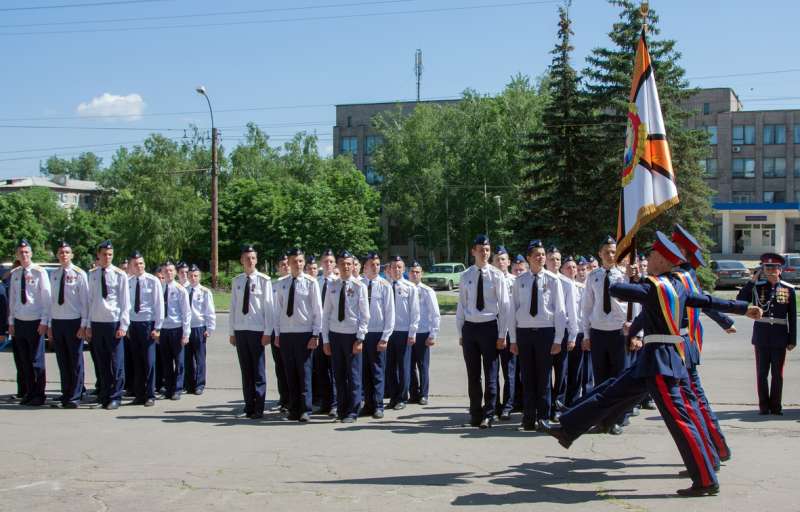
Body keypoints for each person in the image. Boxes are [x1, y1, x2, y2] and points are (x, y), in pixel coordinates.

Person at [542, 231, 762, 497]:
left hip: (662, 363)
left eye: (651, 255)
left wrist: (625, 273)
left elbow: (617, 290)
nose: (647, 258)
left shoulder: (655, 287)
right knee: (611, 393)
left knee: (680, 420)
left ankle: (705, 479)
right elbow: (707, 300)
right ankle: (567, 428)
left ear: (661, 260)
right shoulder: (673, 286)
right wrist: (741, 308)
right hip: (654, 360)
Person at [670, 224, 736, 460]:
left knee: (693, 399)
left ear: (682, 253)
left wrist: (725, 320)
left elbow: (704, 301)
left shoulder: (683, 276)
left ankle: (712, 449)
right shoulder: (684, 274)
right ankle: (715, 448)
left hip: (680, 344)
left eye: (673, 247)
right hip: (679, 344)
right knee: (694, 397)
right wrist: (725, 321)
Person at [580, 236, 637, 435]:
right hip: (598, 332)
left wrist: (637, 333)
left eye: (613, 252)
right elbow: (586, 307)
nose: (610, 255)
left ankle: (618, 419)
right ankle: (601, 419)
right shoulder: (593, 276)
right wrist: (586, 334)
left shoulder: (625, 276)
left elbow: (635, 304)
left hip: (619, 332)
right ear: (600, 254)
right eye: (607, 252)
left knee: (619, 378)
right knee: (601, 379)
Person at [510, 240, 567, 431]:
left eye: (543, 254)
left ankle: (543, 417)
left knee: (543, 377)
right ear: (529, 258)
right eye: (537, 255)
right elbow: (513, 311)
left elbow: (560, 311)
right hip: (525, 333)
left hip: (545, 332)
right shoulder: (520, 281)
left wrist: (558, 339)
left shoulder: (553, 280)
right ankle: (528, 418)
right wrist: (513, 339)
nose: (541, 258)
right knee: (527, 377)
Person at [456, 234, 510, 429]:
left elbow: (504, 307)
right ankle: (475, 413)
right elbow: (461, 305)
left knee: (491, 373)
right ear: (473, 252)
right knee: (473, 374)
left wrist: (502, 334)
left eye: (487, 250)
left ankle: (489, 413)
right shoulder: (466, 275)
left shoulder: (497, 275)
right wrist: (461, 333)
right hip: (470, 328)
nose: (485, 253)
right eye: (481, 250)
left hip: (489, 327)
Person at [737, 252, 796, 415]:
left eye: (774, 268)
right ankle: (764, 406)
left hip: (780, 337)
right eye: (767, 267)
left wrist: (792, 339)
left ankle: (776, 406)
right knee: (762, 373)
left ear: (780, 270)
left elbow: (792, 316)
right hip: (761, 336)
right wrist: (752, 281)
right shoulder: (757, 287)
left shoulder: (788, 289)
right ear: (762, 269)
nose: (770, 271)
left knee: (778, 374)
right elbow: (740, 300)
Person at [273, 248, 322, 422]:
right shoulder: (282, 283)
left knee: (304, 372)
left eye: (301, 261)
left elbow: (317, 310)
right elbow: (277, 310)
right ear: (290, 263)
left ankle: (305, 409)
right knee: (290, 373)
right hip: (286, 334)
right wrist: (277, 334)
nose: (298, 264)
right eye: (295, 261)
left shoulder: (310, 282)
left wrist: (315, 334)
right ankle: (293, 409)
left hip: (304, 334)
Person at [321, 250, 369, 423]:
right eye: (342, 263)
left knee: (354, 376)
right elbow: (326, 314)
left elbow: (365, 315)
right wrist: (326, 340)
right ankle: (341, 409)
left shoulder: (359, 286)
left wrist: (360, 338)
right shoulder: (332, 286)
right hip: (335, 336)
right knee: (339, 376)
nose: (346, 266)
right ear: (337, 266)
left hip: (352, 337)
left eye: (349, 263)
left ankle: (353, 411)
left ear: (352, 265)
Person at [229, 244, 274, 419]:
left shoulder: (264, 280)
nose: (250, 261)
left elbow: (268, 308)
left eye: (253, 258)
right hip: (241, 330)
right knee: (246, 370)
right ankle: (248, 406)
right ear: (242, 260)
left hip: (257, 330)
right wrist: (232, 332)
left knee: (258, 370)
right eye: (247, 258)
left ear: (256, 260)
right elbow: (233, 307)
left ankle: (259, 407)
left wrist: (267, 332)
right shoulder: (237, 281)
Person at [87, 240, 130, 410]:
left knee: (116, 362)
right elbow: (89, 301)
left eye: (110, 254)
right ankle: (104, 395)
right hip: (97, 323)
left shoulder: (120, 275)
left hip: (113, 323)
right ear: (98, 255)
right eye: (104, 254)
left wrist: (123, 326)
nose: (107, 257)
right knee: (101, 362)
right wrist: (88, 324)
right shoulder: (93, 274)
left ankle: (115, 396)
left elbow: (125, 303)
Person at [7, 239, 52, 406]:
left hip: (35, 321)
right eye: (21, 253)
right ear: (17, 255)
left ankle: (39, 394)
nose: (24, 255)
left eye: (26, 252)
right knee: (24, 361)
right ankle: (28, 392)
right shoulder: (16, 273)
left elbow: (46, 298)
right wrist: (11, 321)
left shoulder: (40, 272)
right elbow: (12, 299)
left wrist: (44, 321)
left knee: (36, 361)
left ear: (31, 254)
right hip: (20, 321)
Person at [48, 241, 90, 409]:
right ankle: (66, 394)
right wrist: (50, 324)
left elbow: (85, 301)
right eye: (61, 252)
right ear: (57, 255)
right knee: (62, 360)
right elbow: (51, 301)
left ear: (72, 255)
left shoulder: (79, 274)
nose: (64, 255)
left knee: (75, 360)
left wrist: (84, 324)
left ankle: (76, 395)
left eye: (67, 252)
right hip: (58, 321)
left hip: (74, 322)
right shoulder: (54, 274)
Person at [127, 251, 164, 406]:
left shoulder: (152, 280)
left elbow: (159, 304)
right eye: (136, 264)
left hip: (147, 324)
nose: (139, 266)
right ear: (131, 266)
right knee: (137, 360)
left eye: (141, 263)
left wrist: (158, 327)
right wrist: (127, 325)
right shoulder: (128, 281)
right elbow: (126, 305)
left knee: (149, 361)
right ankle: (139, 394)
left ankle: (150, 395)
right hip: (133, 324)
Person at [360, 252, 394, 418]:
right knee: (364, 371)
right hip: (361, 334)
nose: (375, 267)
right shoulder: (358, 284)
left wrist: (385, 337)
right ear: (364, 267)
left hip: (377, 334)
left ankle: (378, 405)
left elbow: (390, 313)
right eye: (372, 265)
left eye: (378, 264)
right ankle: (368, 404)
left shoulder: (385, 285)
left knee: (378, 371)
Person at [546, 248, 578, 418]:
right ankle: (546, 406)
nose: (555, 262)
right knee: (544, 372)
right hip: (545, 332)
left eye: (558, 259)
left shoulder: (567, 283)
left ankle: (558, 406)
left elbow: (572, 312)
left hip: (563, 331)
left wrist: (573, 335)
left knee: (561, 372)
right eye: (551, 259)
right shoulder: (541, 280)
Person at [385, 255, 420, 410]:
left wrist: (412, 332)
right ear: (389, 269)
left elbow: (415, 312)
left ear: (404, 269)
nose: (397, 270)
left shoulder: (410, 287)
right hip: (387, 332)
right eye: (394, 267)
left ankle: (402, 398)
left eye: (399, 267)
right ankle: (393, 397)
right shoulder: (385, 286)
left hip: (403, 331)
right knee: (390, 366)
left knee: (404, 366)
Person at [408, 260, 440, 406]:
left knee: (422, 365)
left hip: (422, 333)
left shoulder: (427, 291)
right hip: (407, 333)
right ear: (408, 273)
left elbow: (435, 314)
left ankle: (424, 394)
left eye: (417, 272)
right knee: (409, 365)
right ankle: (413, 394)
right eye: (412, 272)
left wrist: (433, 334)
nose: (415, 274)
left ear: (422, 274)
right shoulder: (404, 289)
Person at [561, 256, 591, 407]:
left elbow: (584, 313)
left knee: (576, 370)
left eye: (575, 268)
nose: (573, 270)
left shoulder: (582, 288)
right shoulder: (557, 285)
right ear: (562, 270)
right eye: (569, 267)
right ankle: (559, 401)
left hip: (578, 332)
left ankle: (572, 402)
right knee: (562, 371)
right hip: (561, 332)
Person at [492, 246, 518, 420]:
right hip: (492, 329)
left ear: (509, 262)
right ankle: (494, 405)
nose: (500, 262)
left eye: (503, 259)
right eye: (497, 260)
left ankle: (508, 405)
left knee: (509, 371)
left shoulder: (517, 281)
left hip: (510, 331)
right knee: (492, 371)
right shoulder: (489, 279)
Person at [314, 249, 338, 417]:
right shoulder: (315, 282)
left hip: (334, 331)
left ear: (335, 264)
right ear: (321, 263)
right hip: (318, 331)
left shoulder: (338, 282)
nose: (328, 264)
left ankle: (335, 404)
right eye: (325, 261)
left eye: (331, 261)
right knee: (321, 369)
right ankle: (325, 401)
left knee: (335, 369)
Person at [185, 264, 216, 395]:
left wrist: (210, 328)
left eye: (195, 276)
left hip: (199, 327)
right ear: (187, 276)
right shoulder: (183, 290)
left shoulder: (204, 292)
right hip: (186, 328)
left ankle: (199, 384)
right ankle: (189, 384)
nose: (193, 278)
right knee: (187, 358)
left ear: (200, 277)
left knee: (200, 357)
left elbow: (210, 311)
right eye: (191, 276)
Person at [271, 253, 290, 412]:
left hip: (290, 331)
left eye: (287, 264)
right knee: (280, 366)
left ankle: (293, 399)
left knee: (292, 366)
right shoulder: (273, 285)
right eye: (282, 264)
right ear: (278, 268)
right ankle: (283, 398)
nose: (285, 266)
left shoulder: (296, 283)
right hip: (275, 331)